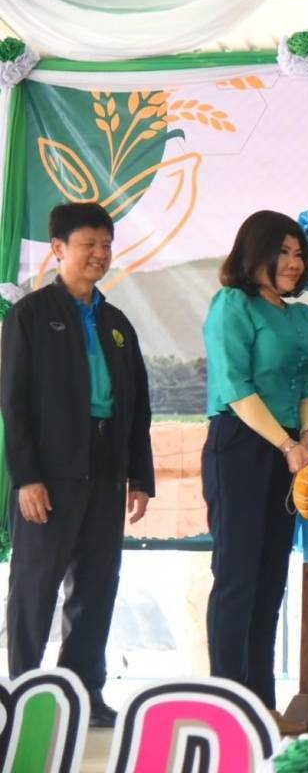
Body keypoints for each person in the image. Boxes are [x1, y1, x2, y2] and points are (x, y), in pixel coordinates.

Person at [1, 202, 153, 727]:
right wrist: (27, 478)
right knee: (35, 586)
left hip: (106, 470)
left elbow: (138, 405)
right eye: (88, 244)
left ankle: (84, 693)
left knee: (95, 585)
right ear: (58, 249)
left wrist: (140, 476)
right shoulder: (30, 315)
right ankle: (24, 696)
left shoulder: (116, 322)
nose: (99, 254)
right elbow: (14, 404)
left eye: (106, 245)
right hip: (51, 473)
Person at [202, 210, 308, 735]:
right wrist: (287, 443)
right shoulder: (232, 304)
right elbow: (235, 387)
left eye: (299, 254)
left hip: (289, 451)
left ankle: (261, 704)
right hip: (240, 447)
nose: (294, 264)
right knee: (237, 579)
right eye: (283, 253)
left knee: (270, 579)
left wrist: (307, 439)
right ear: (256, 254)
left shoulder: (301, 318)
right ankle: (227, 707)